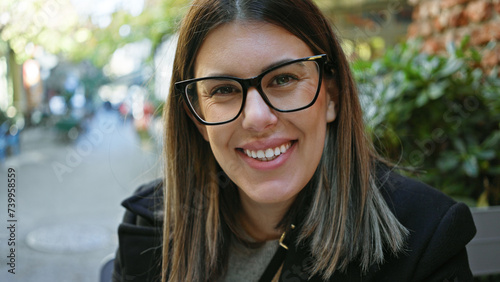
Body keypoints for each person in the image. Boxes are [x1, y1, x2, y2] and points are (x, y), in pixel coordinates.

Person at [112, 0, 477, 281]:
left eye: (284, 79)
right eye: (223, 89)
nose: (256, 118)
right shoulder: (152, 227)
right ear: (197, 118)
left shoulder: (426, 235)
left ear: (331, 95)